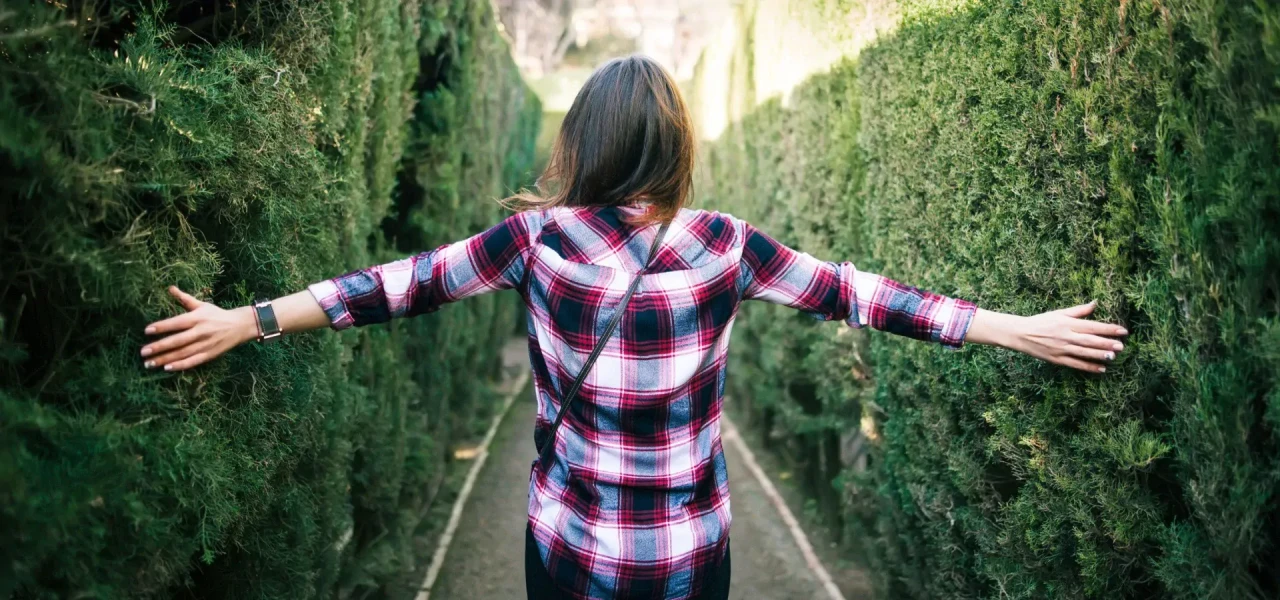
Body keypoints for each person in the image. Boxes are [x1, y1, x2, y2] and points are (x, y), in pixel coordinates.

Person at [139, 55, 1128, 600]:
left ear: (584, 141)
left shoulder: (532, 242)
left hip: (565, 544)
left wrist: (249, 318)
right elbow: (867, 297)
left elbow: (386, 287)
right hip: (687, 553)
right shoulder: (727, 246)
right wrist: (1011, 326)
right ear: (676, 145)